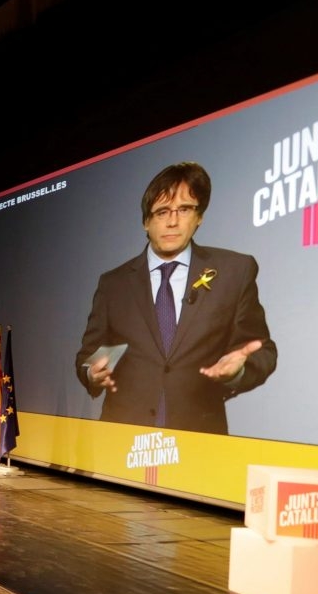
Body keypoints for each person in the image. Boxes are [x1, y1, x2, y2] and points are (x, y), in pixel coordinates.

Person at [74, 162, 277, 434]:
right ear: (146, 222)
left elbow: (263, 351)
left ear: (199, 216)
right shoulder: (114, 283)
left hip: (197, 442)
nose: (172, 221)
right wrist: (91, 373)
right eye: (161, 212)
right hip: (122, 439)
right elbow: (88, 355)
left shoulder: (234, 271)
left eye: (184, 209)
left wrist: (238, 370)